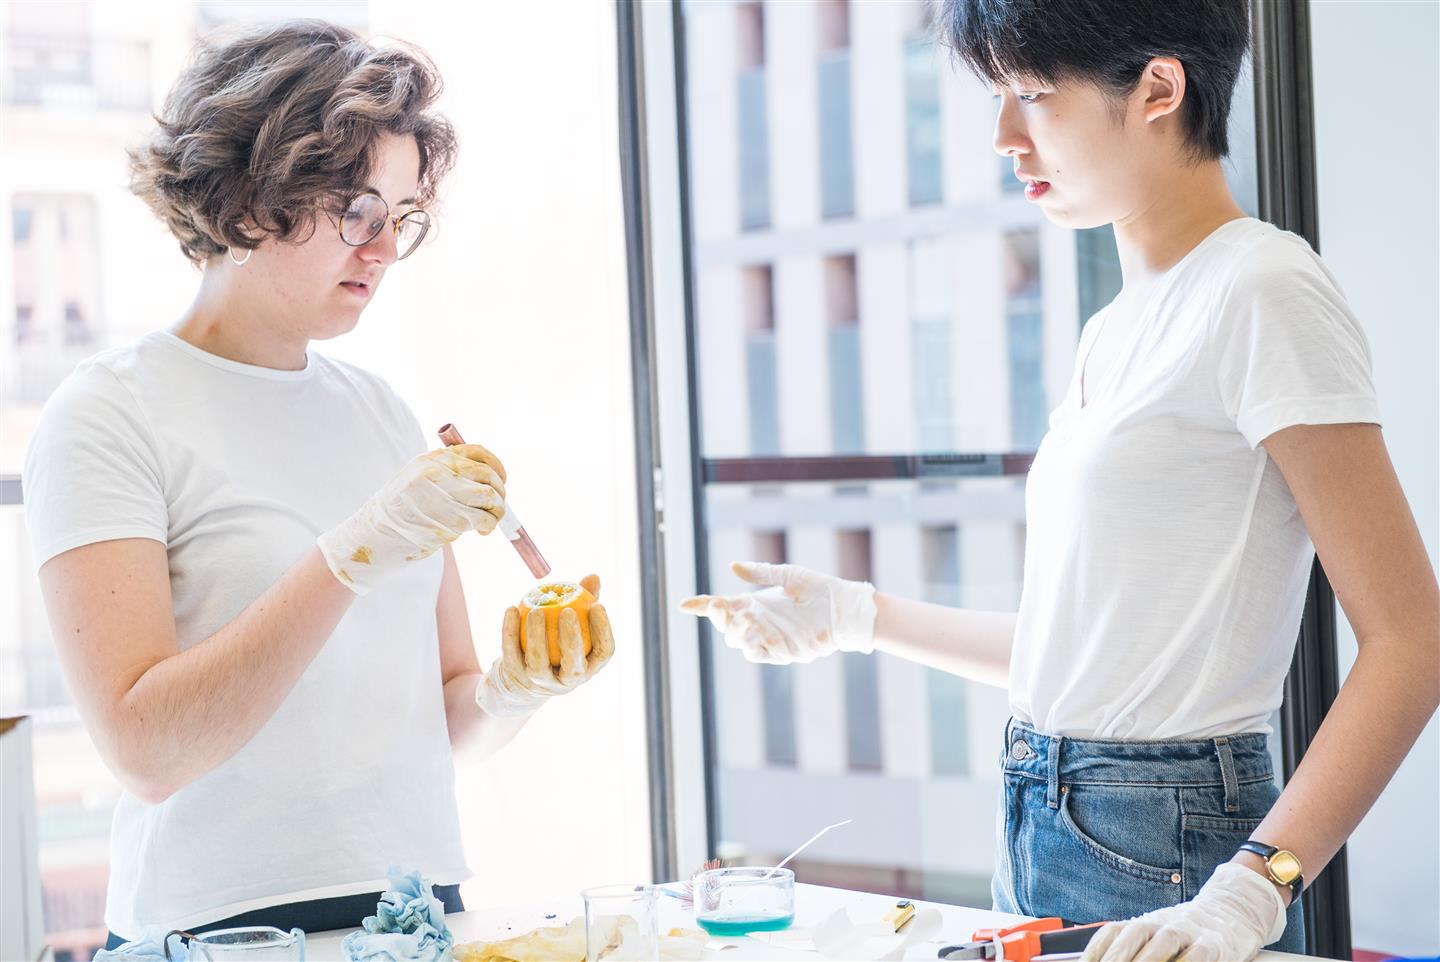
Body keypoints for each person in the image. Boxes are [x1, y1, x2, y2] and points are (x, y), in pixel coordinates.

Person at [682, 1, 1439, 959]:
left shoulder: (1262, 288)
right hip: (1042, 804)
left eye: (1033, 97)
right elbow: (1085, 656)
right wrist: (855, 615)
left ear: (1159, 89)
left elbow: (1412, 640)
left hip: (1171, 840)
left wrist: (1254, 888)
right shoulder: (1115, 326)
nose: (1003, 137)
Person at [21, 20, 613, 949]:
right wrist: (352, 554)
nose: (382, 249)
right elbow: (144, 751)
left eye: (403, 215)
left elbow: (445, 722)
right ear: (253, 197)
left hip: (414, 919)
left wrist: (515, 689)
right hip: (219, 932)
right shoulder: (107, 414)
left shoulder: (382, 414)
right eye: (358, 210)